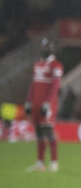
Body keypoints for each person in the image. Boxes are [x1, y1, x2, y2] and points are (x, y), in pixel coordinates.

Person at [25, 38, 63, 172]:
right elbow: (33, 85)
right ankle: (40, 162)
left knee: (48, 131)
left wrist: (48, 103)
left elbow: (55, 86)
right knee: (39, 133)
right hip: (35, 103)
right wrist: (29, 101)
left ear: (51, 49)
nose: (43, 50)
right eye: (43, 47)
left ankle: (54, 162)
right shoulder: (38, 64)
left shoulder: (56, 65)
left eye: (46, 47)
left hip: (48, 104)